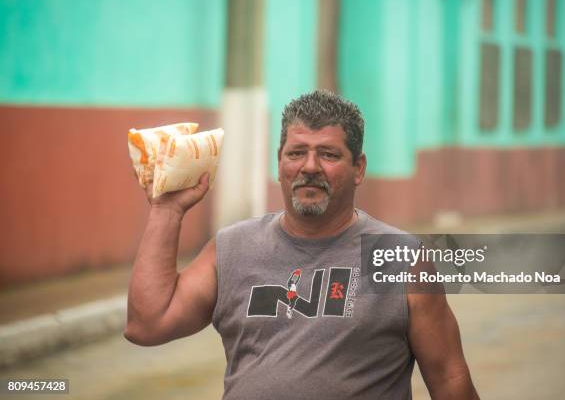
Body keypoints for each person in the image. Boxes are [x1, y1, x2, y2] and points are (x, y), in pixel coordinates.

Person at [125, 90, 479, 399]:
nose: (310, 167)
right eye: (296, 154)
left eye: (328, 154)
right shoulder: (233, 248)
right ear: (280, 164)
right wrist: (166, 210)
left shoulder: (401, 260)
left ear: (359, 168)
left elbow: (450, 379)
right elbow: (148, 325)